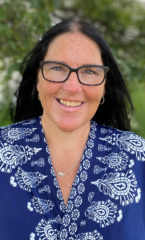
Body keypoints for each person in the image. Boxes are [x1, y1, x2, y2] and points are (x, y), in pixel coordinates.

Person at [0, 18, 145, 240]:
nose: (72, 87)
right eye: (57, 68)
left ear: (104, 84)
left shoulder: (138, 157)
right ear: (37, 78)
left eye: (89, 71)